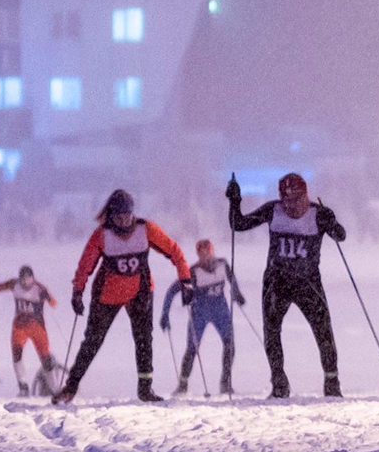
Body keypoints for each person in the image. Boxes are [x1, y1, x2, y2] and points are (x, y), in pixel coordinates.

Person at [55, 189, 190, 404]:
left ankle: (145, 389)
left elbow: (173, 250)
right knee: (93, 341)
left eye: (127, 215)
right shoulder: (102, 235)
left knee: (144, 339)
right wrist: (77, 292)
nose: (124, 221)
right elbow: (85, 265)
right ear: (111, 216)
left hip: (140, 291)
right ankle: (70, 388)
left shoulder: (146, 229)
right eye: (119, 216)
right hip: (107, 295)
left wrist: (185, 279)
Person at [227, 171, 345, 399]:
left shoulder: (317, 214)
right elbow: (238, 224)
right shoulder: (273, 210)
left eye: (296, 199)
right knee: (272, 332)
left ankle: (332, 382)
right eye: (286, 200)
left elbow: (340, 236)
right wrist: (235, 200)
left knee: (323, 332)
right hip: (277, 281)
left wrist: (332, 221)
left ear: (305, 196)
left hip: (307, 283)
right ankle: (279, 383)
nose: (290, 205)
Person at [163, 237, 244, 394]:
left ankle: (225, 383)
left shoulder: (223, 264)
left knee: (230, 345)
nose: (205, 257)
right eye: (202, 254)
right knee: (192, 349)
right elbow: (172, 291)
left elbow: (232, 279)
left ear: (212, 252)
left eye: (208, 253)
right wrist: (165, 313)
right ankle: (182, 385)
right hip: (199, 313)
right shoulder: (193, 272)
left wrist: (237, 294)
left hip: (221, 311)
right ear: (198, 254)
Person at [0, 264, 57, 395]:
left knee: (45, 358)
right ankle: (23, 386)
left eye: (28, 279)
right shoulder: (14, 284)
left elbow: (53, 303)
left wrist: (47, 297)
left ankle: (55, 389)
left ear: (32, 278)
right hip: (20, 326)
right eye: (23, 279)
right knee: (17, 355)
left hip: (37, 327)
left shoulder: (39, 288)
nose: (25, 282)